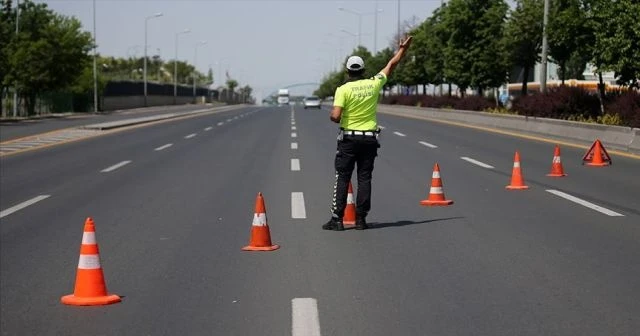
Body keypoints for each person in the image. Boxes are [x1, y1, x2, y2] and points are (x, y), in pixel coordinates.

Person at [323, 35, 413, 231]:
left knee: (343, 177)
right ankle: (361, 219)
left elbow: (336, 116)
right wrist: (403, 49)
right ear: (363, 71)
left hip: (348, 139)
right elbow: (391, 64)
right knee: (364, 178)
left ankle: (337, 219)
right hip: (369, 139)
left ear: (347, 71)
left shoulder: (343, 89)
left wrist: (335, 114)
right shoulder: (373, 84)